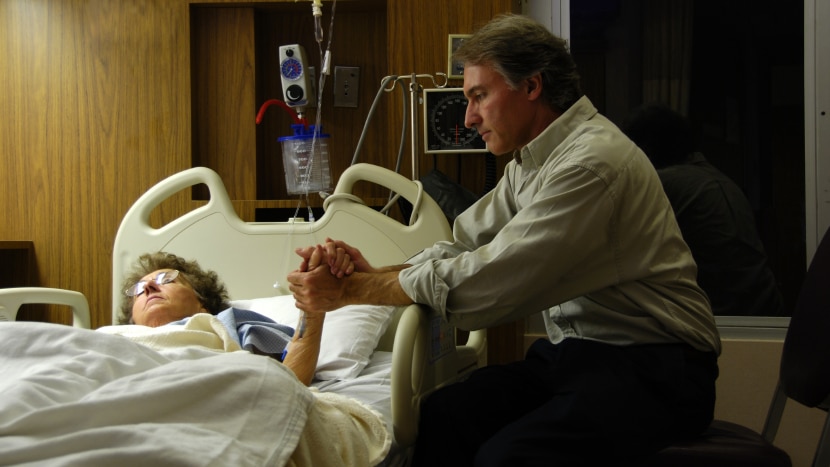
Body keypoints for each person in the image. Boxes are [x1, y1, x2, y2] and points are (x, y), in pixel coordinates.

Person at [287, 13, 721, 466]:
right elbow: (463, 247)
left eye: (479, 96)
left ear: (531, 86)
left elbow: (491, 282)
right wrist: (373, 274)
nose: (470, 117)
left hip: (658, 369)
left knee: (506, 458)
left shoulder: (591, 165)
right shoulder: (531, 164)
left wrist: (352, 291)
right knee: (445, 414)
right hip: (583, 357)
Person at [621, 102, 785, 317]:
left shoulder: (664, 184)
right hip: (767, 312)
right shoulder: (717, 179)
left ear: (645, 149)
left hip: (725, 320)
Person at [116, 248, 348, 385]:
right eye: (139, 289)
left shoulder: (230, 328)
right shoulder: (112, 339)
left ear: (202, 302)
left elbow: (289, 382)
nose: (148, 289)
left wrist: (312, 311)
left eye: (166, 280)